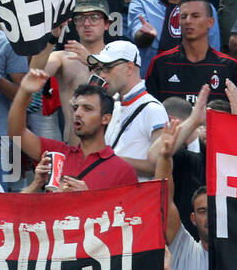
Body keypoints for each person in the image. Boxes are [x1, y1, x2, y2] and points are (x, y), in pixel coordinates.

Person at [8, 69, 139, 190]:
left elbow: (128, 214)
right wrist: (24, 92)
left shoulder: (123, 171)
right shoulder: (57, 153)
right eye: (76, 108)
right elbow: (16, 134)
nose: (78, 113)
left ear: (106, 118)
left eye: (87, 109)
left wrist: (88, 198)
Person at [144, 0, 237, 105]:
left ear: (210, 22)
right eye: (183, 16)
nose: (188, 21)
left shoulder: (229, 66)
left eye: (195, 16)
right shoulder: (160, 64)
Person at [90, 41, 168, 180]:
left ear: (129, 68)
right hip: (115, 195)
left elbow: (161, 165)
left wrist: (111, 159)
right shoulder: (115, 105)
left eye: (107, 68)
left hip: (135, 197)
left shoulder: (152, 109)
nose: (102, 74)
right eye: (99, 69)